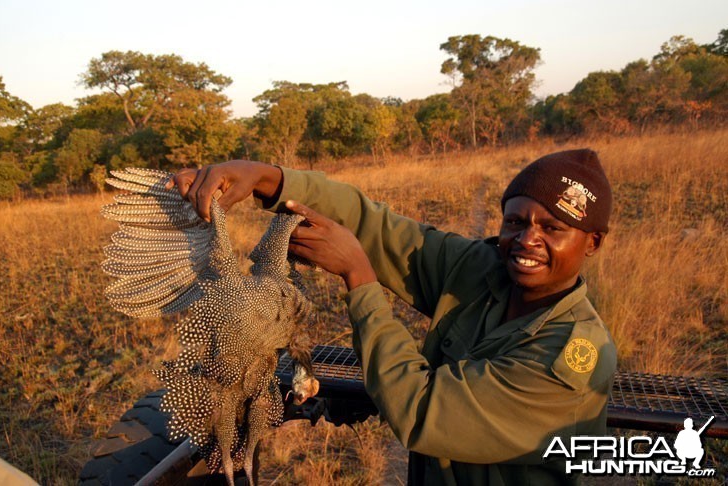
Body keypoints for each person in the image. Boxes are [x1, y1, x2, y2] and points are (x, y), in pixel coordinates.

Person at [168, 148, 617, 485]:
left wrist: (359, 276)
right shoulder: (486, 272)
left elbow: (420, 410)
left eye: (553, 228)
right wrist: (265, 177)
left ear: (592, 243)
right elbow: (380, 230)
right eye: (516, 222)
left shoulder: (572, 358)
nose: (527, 240)